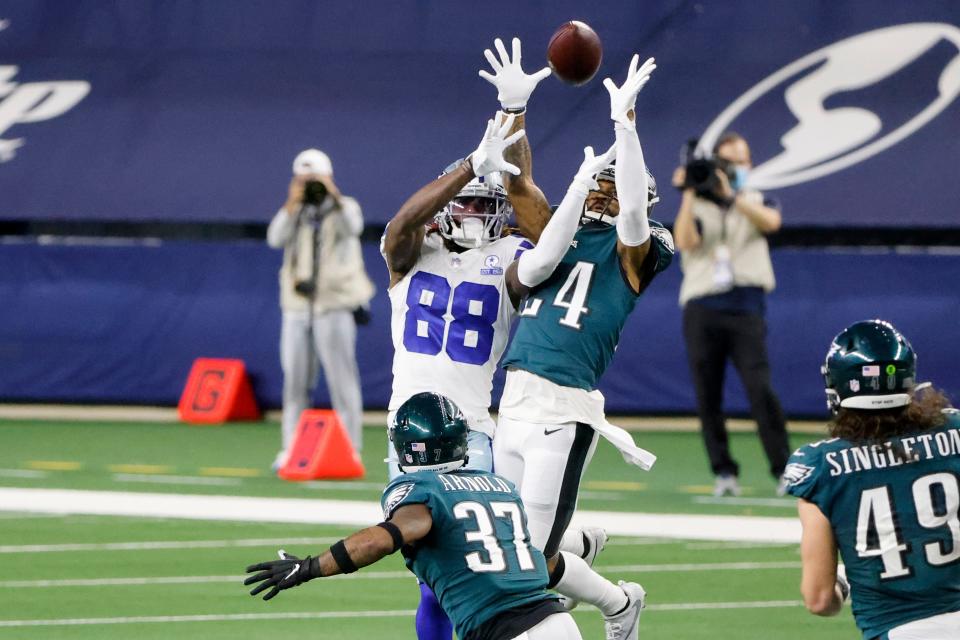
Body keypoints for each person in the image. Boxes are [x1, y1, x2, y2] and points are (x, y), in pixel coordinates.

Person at [381, 40, 633, 639]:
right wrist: (472, 162)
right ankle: (570, 541)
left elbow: (536, 216)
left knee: (455, 571)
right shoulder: (410, 255)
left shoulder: (511, 256)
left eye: (481, 203)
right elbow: (400, 223)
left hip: (473, 430)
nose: (471, 211)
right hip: (407, 426)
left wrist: (514, 112)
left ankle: (565, 547)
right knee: (431, 565)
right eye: (462, 201)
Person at [490, 51, 671, 640]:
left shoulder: (633, 252)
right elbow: (519, 185)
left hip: (562, 413)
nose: (599, 191)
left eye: (612, 186)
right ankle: (584, 544)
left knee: (530, 563)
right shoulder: (560, 231)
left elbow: (636, 223)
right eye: (599, 181)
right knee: (507, 542)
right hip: (512, 402)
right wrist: (514, 108)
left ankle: (617, 603)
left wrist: (627, 124)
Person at [244, 392, 584, 640]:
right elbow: (537, 560)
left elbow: (384, 539)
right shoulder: (500, 486)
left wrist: (310, 567)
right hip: (557, 621)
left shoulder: (420, 488)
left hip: (505, 631)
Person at [784, 319, 960, 639]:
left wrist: (841, 582)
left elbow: (820, 599)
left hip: (898, 629)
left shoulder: (820, 466)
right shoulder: (955, 431)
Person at [671, 131, 791, 497]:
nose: (734, 167)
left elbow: (771, 223)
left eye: (741, 160)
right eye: (728, 161)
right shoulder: (700, 205)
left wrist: (731, 195)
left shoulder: (754, 198)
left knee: (760, 388)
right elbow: (685, 241)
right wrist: (691, 189)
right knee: (708, 395)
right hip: (703, 306)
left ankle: (784, 468)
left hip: (746, 307)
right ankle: (724, 472)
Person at [266, 149, 375, 469]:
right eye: (302, 180)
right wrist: (292, 203)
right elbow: (275, 238)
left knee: (343, 380)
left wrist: (332, 195)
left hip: (335, 304)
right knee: (295, 382)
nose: (309, 185)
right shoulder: (296, 211)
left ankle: (351, 447)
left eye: (314, 179)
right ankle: (292, 448)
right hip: (297, 307)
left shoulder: (344, 207)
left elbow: (353, 226)